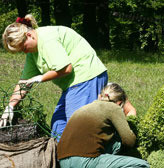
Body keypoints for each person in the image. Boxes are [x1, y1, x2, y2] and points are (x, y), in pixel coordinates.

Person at [1, 14, 135, 140]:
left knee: (78, 125)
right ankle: (64, 159)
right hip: (72, 85)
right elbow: (24, 82)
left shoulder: (47, 39)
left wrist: (40, 78)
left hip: (86, 77)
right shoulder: (33, 52)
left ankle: (92, 156)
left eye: (23, 47)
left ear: (29, 35)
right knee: (58, 124)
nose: (24, 51)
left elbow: (66, 68)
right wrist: (11, 106)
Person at [57, 83, 150, 168]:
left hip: (64, 166)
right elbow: (129, 140)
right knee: (142, 166)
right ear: (120, 103)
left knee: (114, 143)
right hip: (83, 165)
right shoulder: (113, 108)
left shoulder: (85, 108)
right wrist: (131, 118)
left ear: (99, 96)